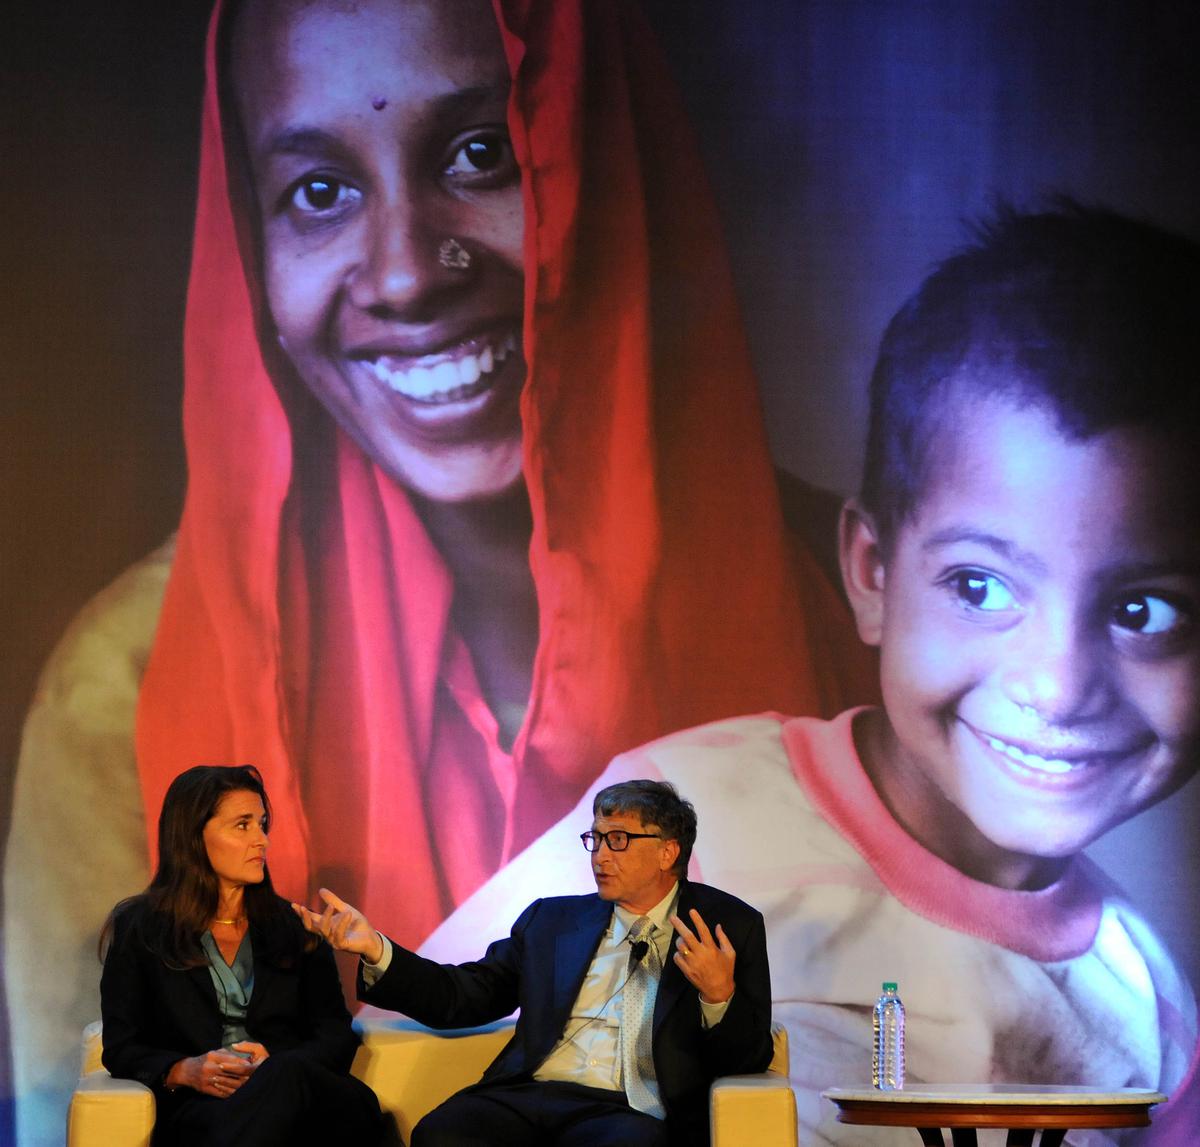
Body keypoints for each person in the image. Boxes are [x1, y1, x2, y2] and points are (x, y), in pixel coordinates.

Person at [3, 1, 876, 1141]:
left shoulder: (868, 617)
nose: (409, 273)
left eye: (483, 152)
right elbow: (76, 1099)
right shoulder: (126, 682)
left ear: (614, 168)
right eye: (318, 190)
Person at [416, 205, 1200, 1145]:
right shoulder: (687, 822)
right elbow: (415, 1056)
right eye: (980, 585)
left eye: (1143, 610)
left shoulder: (1147, 1010)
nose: (1062, 684)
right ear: (871, 573)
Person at [295, 779, 772, 1146]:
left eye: (619, 840)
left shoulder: (727, 926)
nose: (600, 856)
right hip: (531, 1092)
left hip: (629, 1109)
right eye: (596, 839)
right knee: (443, 1132)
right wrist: (377, 949)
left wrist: (718, 997)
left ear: (668, 851)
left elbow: (748, 1057)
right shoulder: (553, 921)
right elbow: (462, 996)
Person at [99, 764, 382, 1146]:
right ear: (194, 837)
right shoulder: (141, 930)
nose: (262, 840)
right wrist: (186, 1070)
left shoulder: (293, 926)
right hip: (206, 1113)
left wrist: (276, 1064)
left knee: (287, 1079)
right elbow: (122, 1046)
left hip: (312, 1104)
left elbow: (334, 1035)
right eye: (243, 825)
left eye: (262, 824)